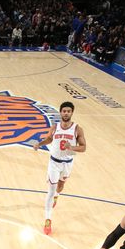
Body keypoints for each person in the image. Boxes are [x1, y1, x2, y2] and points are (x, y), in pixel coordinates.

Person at [32, 101, 86, 236]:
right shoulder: (55, 127)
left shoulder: (77, 129)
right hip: (54, 163)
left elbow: (83, 147)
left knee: (61, 186)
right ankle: (48, 219)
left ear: (72, 113)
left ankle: (57, 195)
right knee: (50, 191)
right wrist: (40, 143)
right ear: (60, 112)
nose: (66, 113)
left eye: (68, 111)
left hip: (68, 162)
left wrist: (72, 147)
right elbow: (49, 139)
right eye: (64, 111)